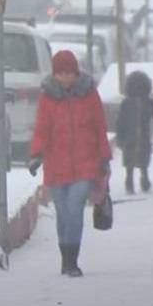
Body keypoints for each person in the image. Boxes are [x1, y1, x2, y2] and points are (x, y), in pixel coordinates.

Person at [28, 50, 112, 277]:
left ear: (76, 73)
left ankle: (73, 261)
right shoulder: (47, 98)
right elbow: (42, 128)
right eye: (61, 74)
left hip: (86, 164)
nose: (66, 78)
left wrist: (104, 157)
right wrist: (36, 154)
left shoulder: (89, 94)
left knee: (75, 209)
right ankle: (65, 258)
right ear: (55, 75)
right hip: (56, 165)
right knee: (63, 214)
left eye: (69, 73)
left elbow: (99, 126)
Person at [116, 70, 153, 194]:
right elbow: (120, 121)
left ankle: (144, 178)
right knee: (130, 161)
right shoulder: (127, 103)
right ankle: (130, 180)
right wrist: (120, 137)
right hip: (130, 137)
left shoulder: (147, 102)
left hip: (142, 136)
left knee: (143, 160)